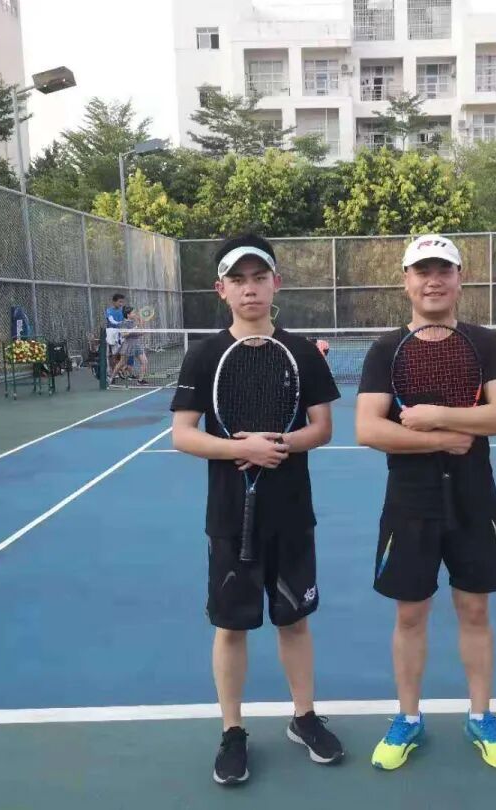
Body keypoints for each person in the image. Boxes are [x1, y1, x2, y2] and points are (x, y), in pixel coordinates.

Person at [170, 233, 345, 786]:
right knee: (231, 627)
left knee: (294, 621)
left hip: (291, 514)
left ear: (276, 283)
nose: (250, 289)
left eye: (259, 278)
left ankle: (304, 717)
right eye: (238, 280)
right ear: (221, 289)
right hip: (229, 517)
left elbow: (322, 427)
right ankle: (232, 732)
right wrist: (238, 449)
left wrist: (280, 445)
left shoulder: (301, 352)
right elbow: (182, 434)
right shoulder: (204, 355)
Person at [355, 235, 496, 772]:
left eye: (443, 270)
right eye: (422, 271)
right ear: (406, 281)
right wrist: (441, 438)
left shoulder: (486, 343)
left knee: (475, 610)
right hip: (409, 502)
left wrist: (434, 416)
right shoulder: (386, 350)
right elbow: (368, 428)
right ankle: (408, 718)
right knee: (410, 615)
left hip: (475, 499)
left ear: (459, 278)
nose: (433, 281)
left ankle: (481, 716)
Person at [109, 306, 149, 385]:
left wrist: (141, 324)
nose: (135, 314)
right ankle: (111, 378)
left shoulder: (134, 322)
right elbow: (123, 334)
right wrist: (133, 330)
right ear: (128, 315)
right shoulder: (123, 323)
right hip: (128, 345)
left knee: (144, 361)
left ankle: (140, 380)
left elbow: (141, 333)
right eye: (133, 313)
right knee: (121, 363)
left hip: (137, 344)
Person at [105, 293, 127, 380]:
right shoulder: (109, 311)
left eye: (122, 302)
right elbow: (111, 321)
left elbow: (127, 319)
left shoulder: (123, 310)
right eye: (119, 302)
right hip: (112, 335)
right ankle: (112, 372)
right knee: (112, 355)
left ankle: (120, 370)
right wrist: (121, 323)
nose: (121, 304)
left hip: (122, 335)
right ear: (114, 302)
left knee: (122, 354)